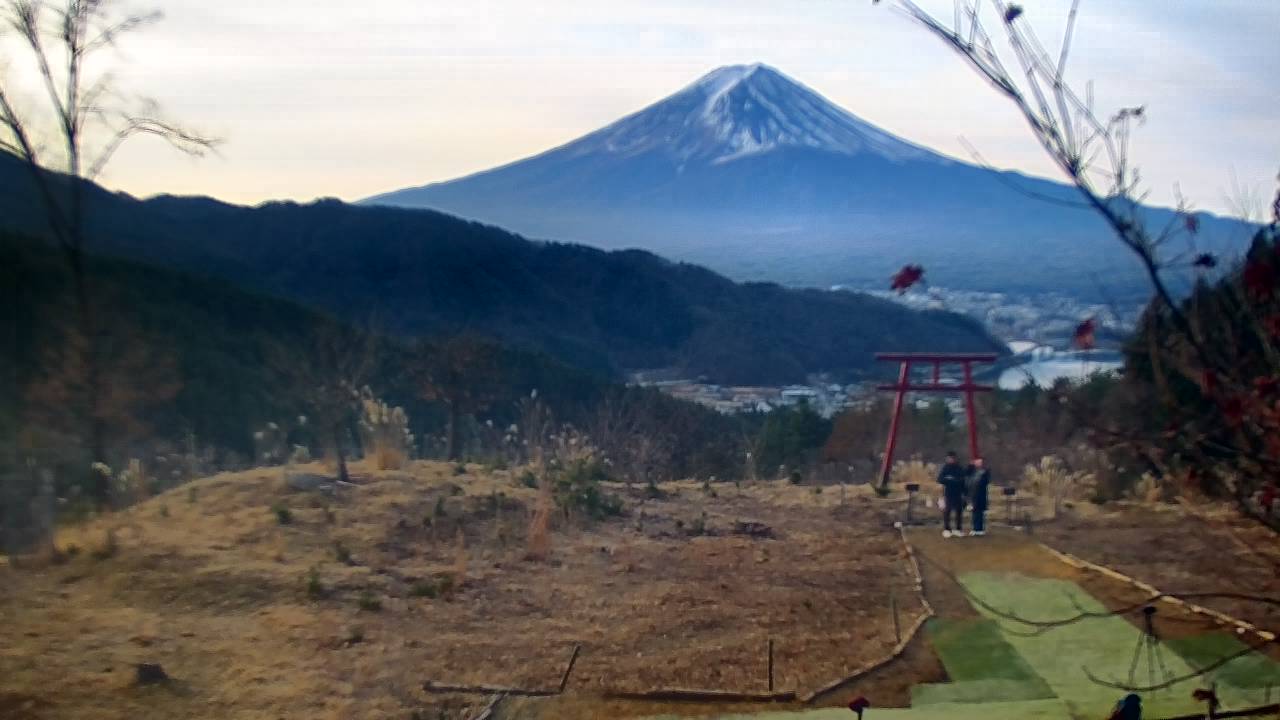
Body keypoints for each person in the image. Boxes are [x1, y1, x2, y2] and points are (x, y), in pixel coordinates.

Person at [937, 451, 967, 538]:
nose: (950, 460)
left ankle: (958, 529)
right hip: (948, 493)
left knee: (959, 511)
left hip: (958, 492)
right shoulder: (945, 468)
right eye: (949, 458)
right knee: (947, 511)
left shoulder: (959, 468)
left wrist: (951, 480)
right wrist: (949, 480)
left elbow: (962, 480)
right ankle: (947, 529)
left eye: (952, 458)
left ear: (955, 459)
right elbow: (940, 479)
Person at [968, 457, 991, 536]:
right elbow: (967, 474)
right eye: (977, 462)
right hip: (973, 495)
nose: (978, 463)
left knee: (980, 513)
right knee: (974, 513)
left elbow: (985, 482)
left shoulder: (985, 472)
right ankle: (975, 528)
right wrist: (970, 465)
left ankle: (980, 529)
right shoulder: (973, 471)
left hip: (981, 495)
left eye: (980, 462)